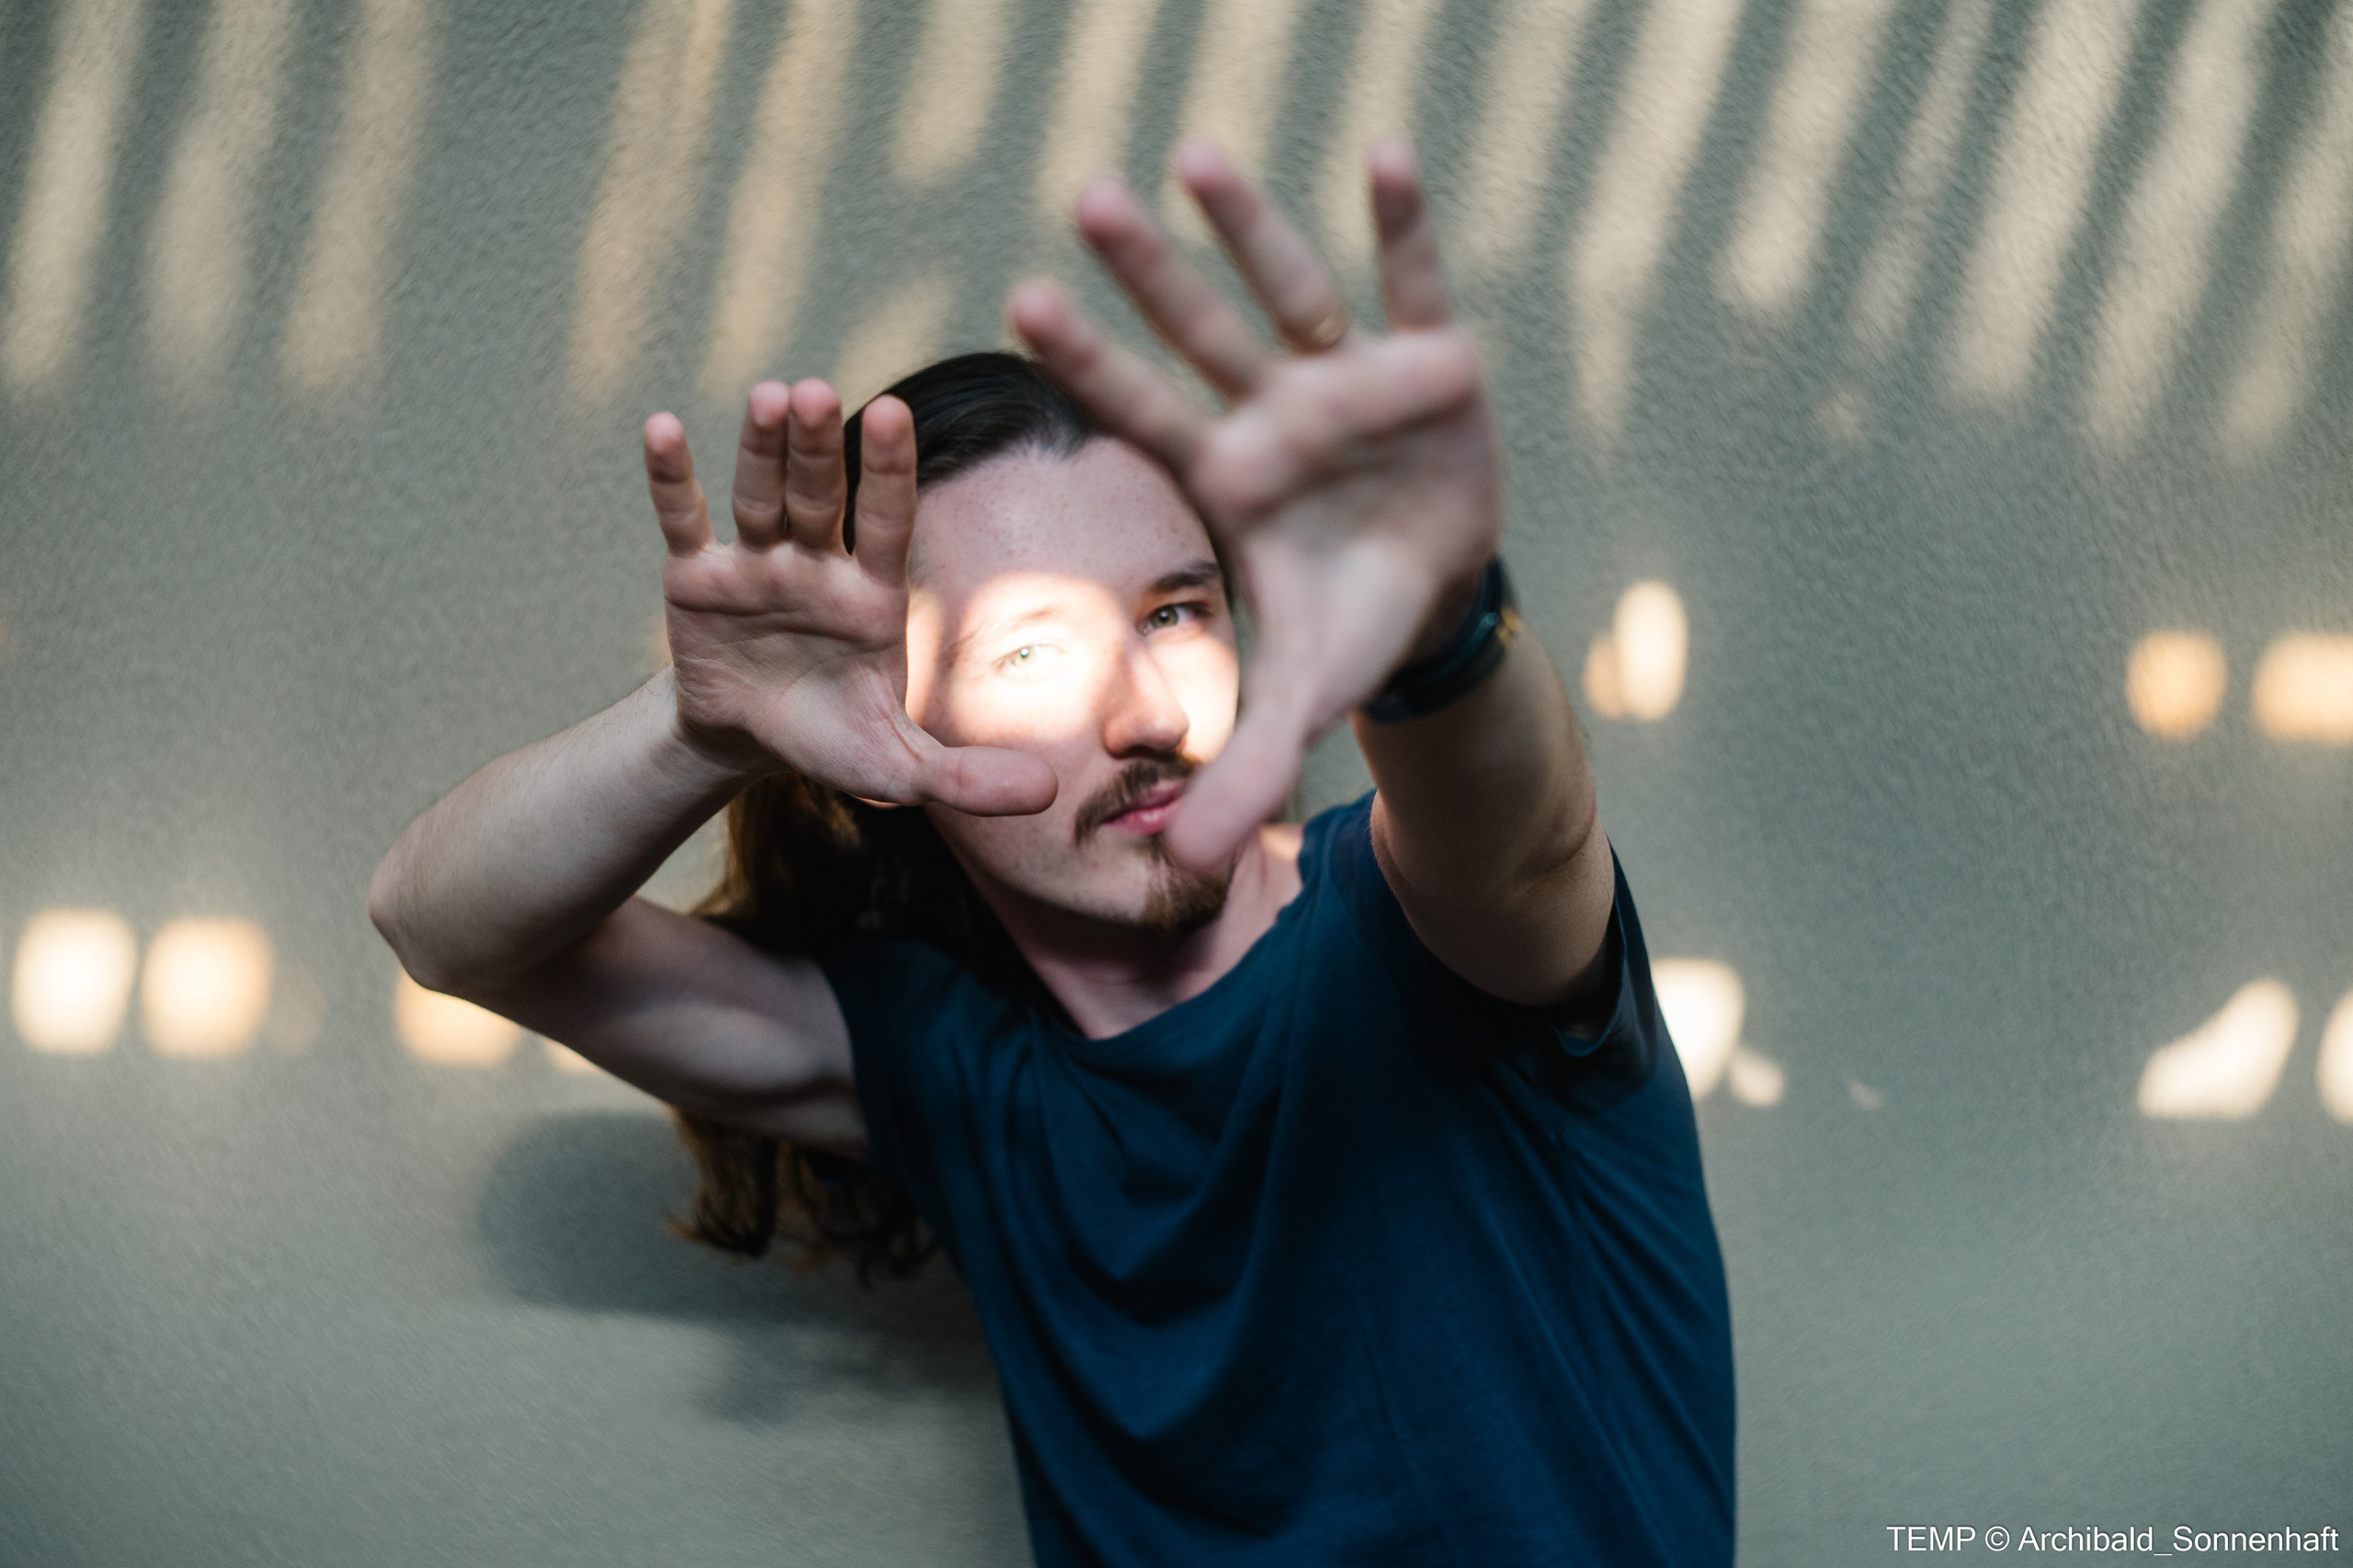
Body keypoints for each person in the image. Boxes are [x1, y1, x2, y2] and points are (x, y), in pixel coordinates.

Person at [369, 137, 1733, 1566]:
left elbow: (1520, 845)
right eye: (1029, 648)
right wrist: (704, 728)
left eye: (1174, 613)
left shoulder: (1410, 927)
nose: (1145, 714)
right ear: (885, 726)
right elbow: (438, 922)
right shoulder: (960, 1069)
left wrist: (1439, 620)